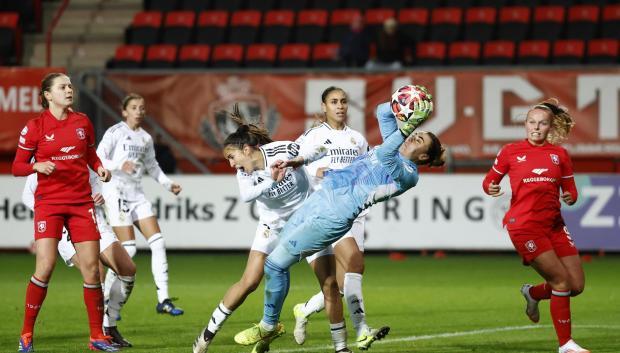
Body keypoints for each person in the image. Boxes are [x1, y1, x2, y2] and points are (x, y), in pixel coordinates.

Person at [234, 89, 443, 353]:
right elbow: (381, 111)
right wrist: (403, 100)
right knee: (276, 265)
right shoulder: (396, 141)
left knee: (275, 266)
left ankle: (269, 325)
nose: (414, 135)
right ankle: (284, 328)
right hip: (318, 199)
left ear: (424, 157)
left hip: (334, 216)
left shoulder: (408, 174)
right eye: (415, 132)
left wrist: (409, 124)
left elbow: (387, 155)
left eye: (420, 138)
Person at [192, 105, 329, 353]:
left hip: (306, 220)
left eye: (232, 157)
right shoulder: (245, 174)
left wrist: (298, 160)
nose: (232, 164)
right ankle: (207, 334)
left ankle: (329, 335)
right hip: (272, 224)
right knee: (250, 280)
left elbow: (321, 149)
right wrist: (270, 179)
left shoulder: (282, 150)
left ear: (246, 149)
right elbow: (247, 196)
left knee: (329, 285)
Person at [12, 72, 117, 352]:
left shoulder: (82, 122)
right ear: (48, 95)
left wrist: (100, 169)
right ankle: (26, 334)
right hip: (49, 204)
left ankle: (96, 337)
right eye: (63, 87)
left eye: (70, 85)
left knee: (93, 271)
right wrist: (36, 166)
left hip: (81, 203)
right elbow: (17, 167)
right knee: (45, 268)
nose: (69, 90)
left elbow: (91, 155)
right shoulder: (34, 127)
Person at [482, 99, 590, 353]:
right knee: (561, 282)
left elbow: (571, 189)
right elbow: (489, 180)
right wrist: (491, 187)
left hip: (554, 224)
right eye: (532, 122)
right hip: (524, 226)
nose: (536, 128)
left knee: (576, 286)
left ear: (550, 127)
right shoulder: (510, 151)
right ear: (525, 124)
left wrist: (571, 196)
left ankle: (533, 293)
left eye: (542, 124)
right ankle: (566, 345)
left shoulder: (559, 155)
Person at [292, 86, 389, 350]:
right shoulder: (312, 136)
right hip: (329, 208)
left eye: (344, 101)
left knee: (345, 283)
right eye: (334, 101)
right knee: (355, 261)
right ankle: (362, 331)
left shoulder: (357, 139)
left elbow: (368, 169)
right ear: (324, 106)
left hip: (355, 210)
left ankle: (304, 309)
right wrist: (319, 171)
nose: (340, 106)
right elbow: (296, 164)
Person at [22, 170, 136, 348]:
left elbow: (97, 182)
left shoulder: (83, 152)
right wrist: (49, 211)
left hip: (93, 218)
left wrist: (99, 194)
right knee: (95, 272)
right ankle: (98, 335)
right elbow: (27, 196)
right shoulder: (47, 156)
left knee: (128, 269)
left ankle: (109, 325)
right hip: (64, 224)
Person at [97, 93, 184, 316]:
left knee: (158, 243)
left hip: (137, 194)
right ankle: (105, 293)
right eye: (134, 107)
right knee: (129, 249)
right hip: (116, 191)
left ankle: (163, 299)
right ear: (124, 111)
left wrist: (168, 184)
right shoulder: (115, 132)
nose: (139, 111)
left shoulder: (145, 138)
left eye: (142, 107)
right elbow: (97, 157)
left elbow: (152, 166)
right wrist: (118, 165)